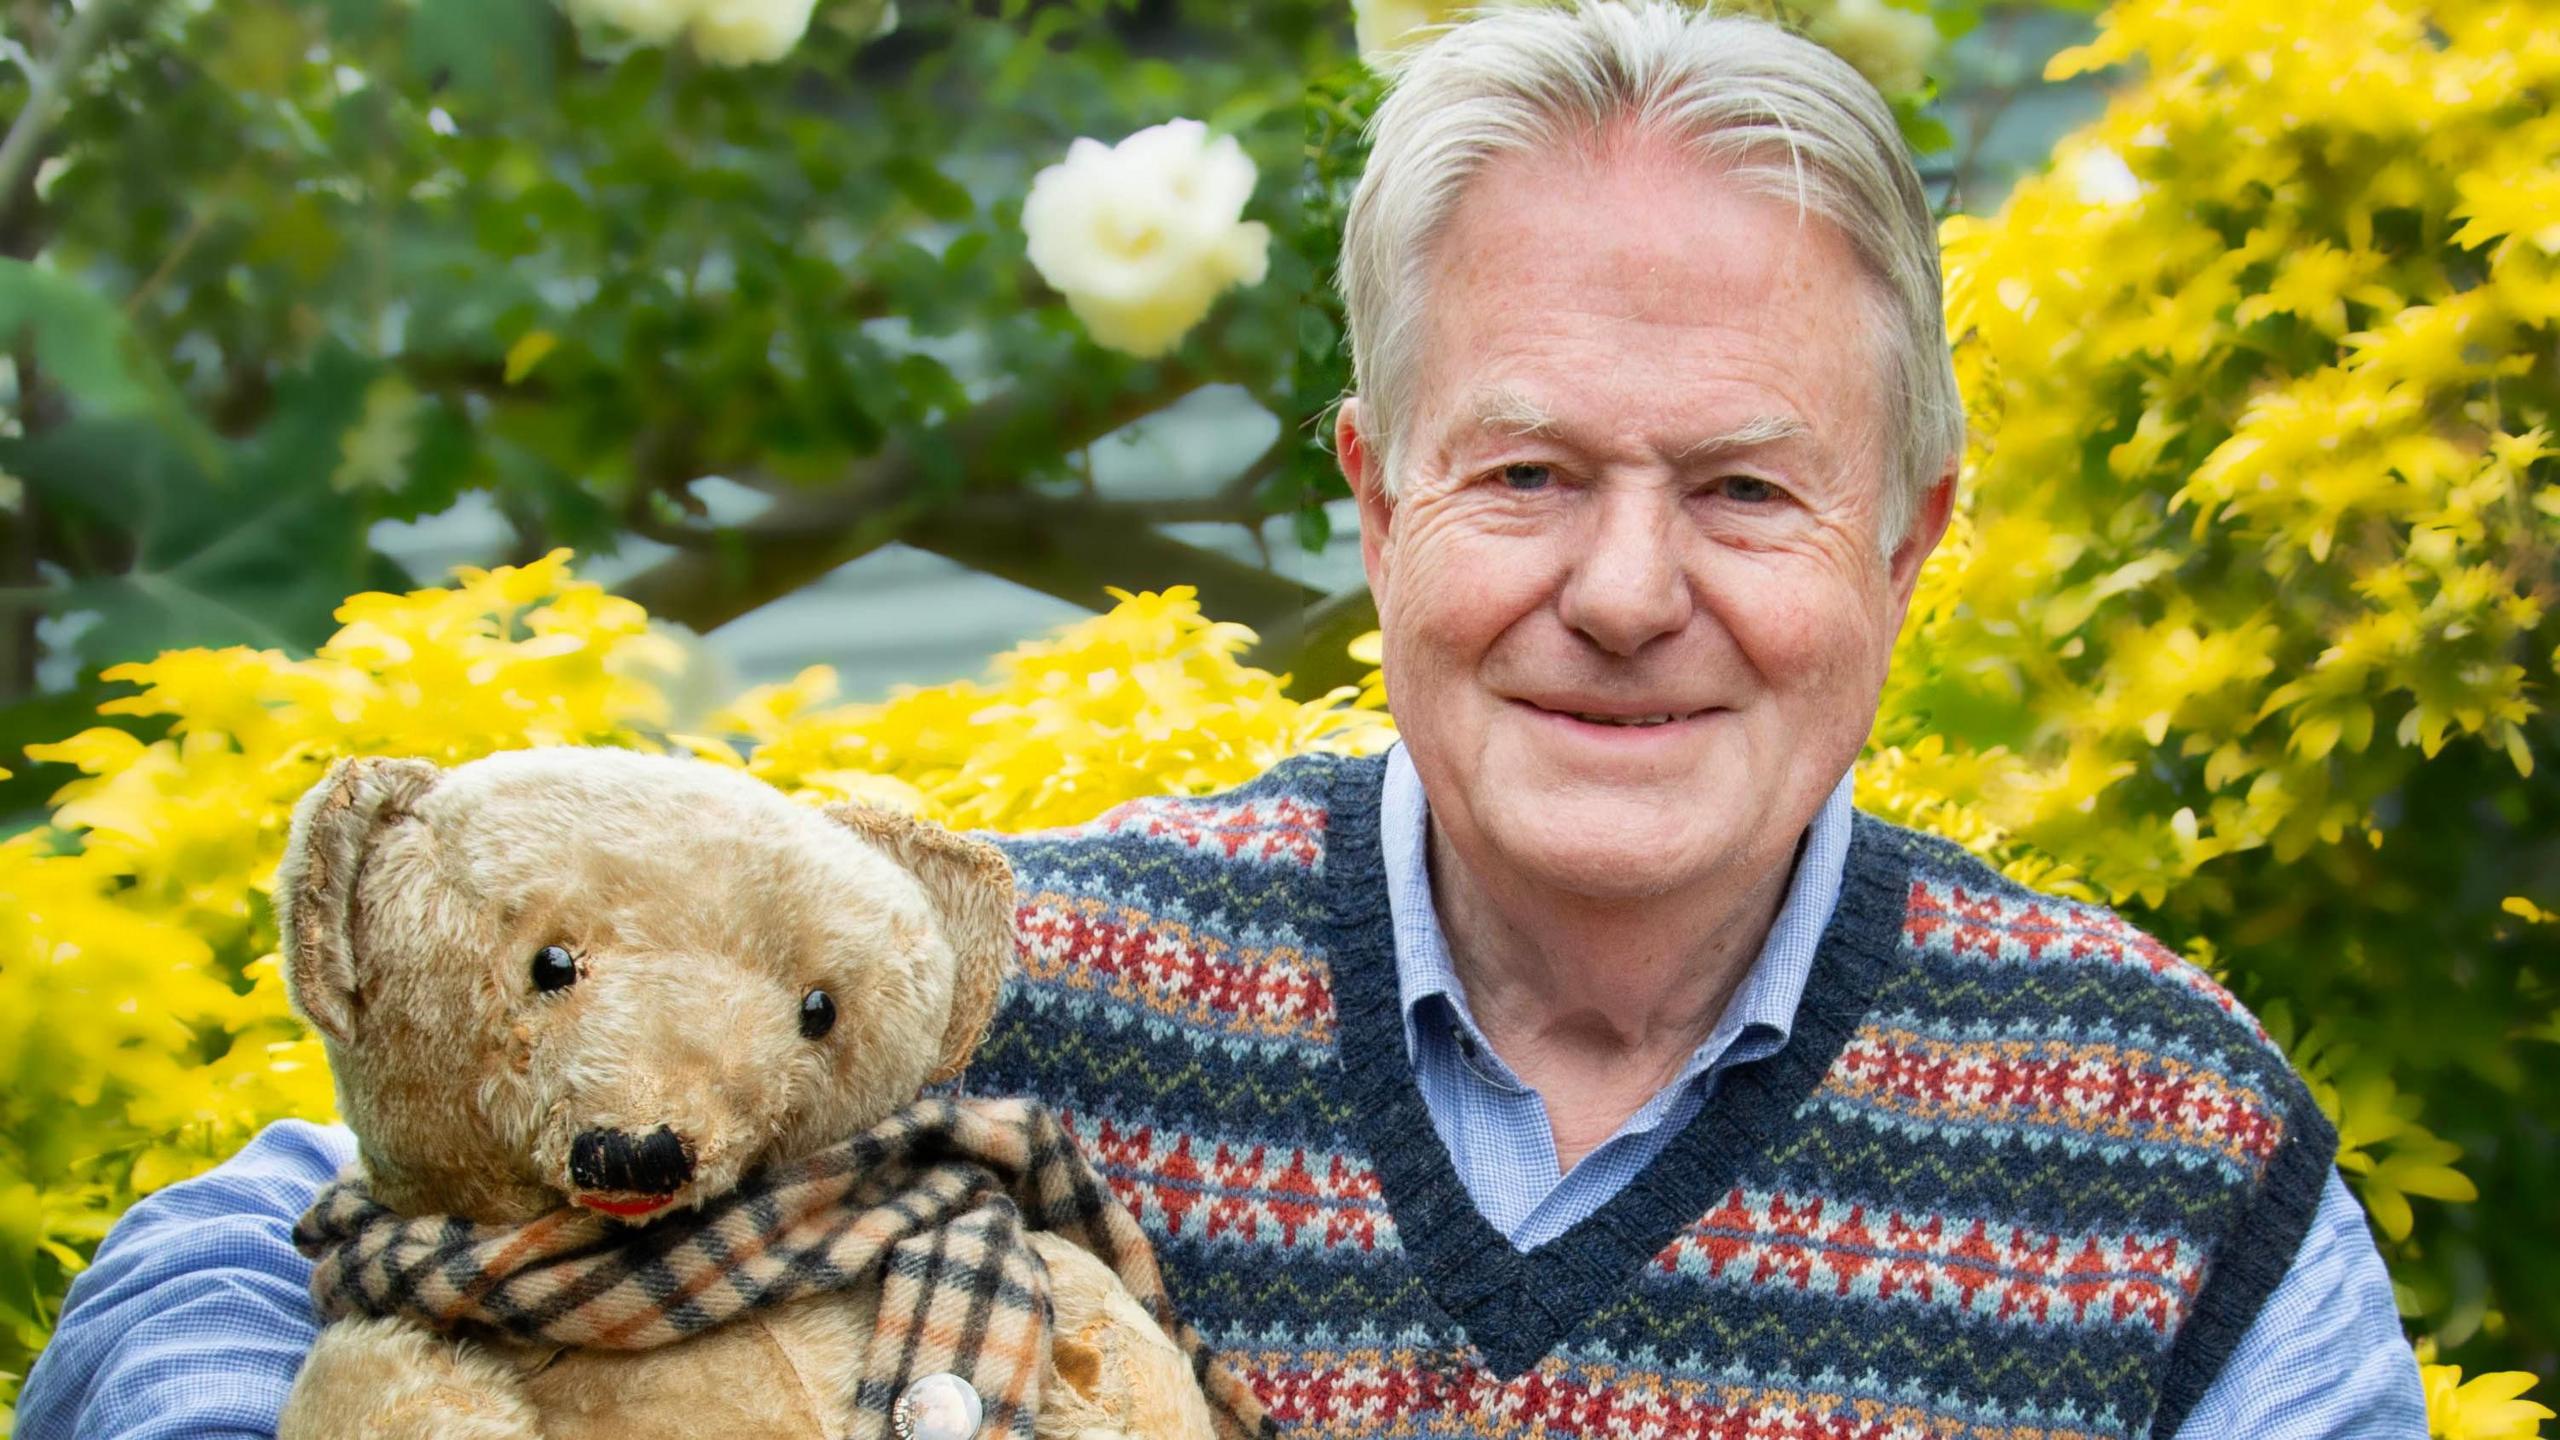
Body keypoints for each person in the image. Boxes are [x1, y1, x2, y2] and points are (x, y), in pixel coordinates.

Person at [18, 4, 2425, 1436]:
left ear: (1905, 544)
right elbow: (263, 1237)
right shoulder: (967, 1010)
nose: (1619, 592)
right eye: (1524, 473)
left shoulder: (2165, 1160)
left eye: (1739, 491)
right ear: (1371, 503)